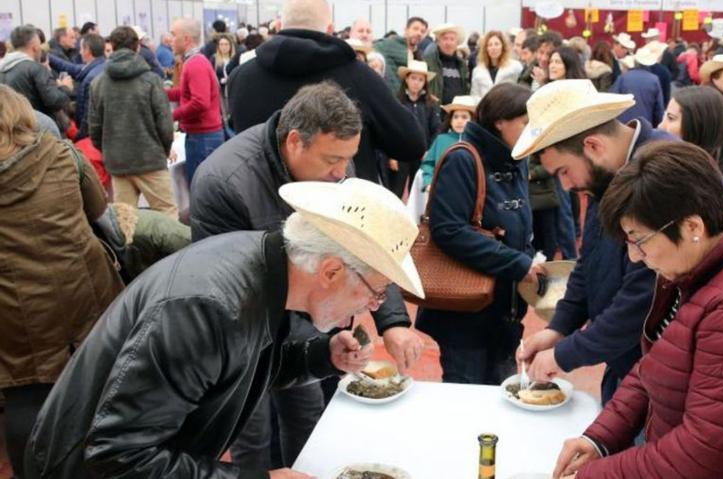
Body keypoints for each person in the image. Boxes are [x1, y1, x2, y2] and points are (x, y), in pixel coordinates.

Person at [24, 178, 424, 479]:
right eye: (375, 293)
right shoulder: (207, 307)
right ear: (331, 271)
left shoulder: (270, 268)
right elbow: (120, 455)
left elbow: (238, 365)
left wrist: (320, 356)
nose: (372, 307)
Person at [191, 82, 425, 469]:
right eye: (333, 160)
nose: (342, 172)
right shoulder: (226, 181)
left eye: (348, 159)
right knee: (250, 429)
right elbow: (226, 289)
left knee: (308, 417)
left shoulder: (334, 170)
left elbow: (370, 245)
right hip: (245, 334)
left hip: (308, 323)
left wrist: (393, 321)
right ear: (295, 141)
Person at [552, 141, 723, 479]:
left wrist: (596, 474)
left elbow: (702, 455)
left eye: (640, 240)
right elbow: (656, 366)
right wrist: (600, 438)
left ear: (692, 227)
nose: (634, 256)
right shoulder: (696, 270)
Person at [512, 79, 679, 405]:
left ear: (593, 146)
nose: (566, 184)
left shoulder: (662, 176)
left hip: (661, 378)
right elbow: (589, 261)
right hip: (625, 365)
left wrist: (566, 354)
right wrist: (559, 327)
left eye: (563, 171)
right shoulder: (607, 175)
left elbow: (645, 296)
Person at [0, 85, 123, 478]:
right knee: (102, 388)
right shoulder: (62, 155)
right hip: (86, 291)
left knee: (27, 391)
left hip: (17, 312)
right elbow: (102, 215)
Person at [227, 0, 426, 185]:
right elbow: (411, 143)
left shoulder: (240, 77)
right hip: (341, 207)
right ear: (330, 29)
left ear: (278, 26)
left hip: (260, 204)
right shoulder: (359, 76)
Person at [415, 83, 542, 385]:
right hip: (465, 313)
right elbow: (449, 231)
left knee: (501, 399)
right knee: (467, 401)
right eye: (526, 123)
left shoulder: (517, 159)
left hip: (506, 310)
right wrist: (519, 264)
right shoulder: (463, 158)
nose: (532, 131)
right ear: (500, 121)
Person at [90, 26, 177, 218]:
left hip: (118, 162)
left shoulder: (98, 83)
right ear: (137, 48)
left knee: (124, 221)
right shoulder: (151, 80)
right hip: (150, 160)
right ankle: (174, 251)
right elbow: (165, 123)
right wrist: (163, 149)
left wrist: (109, 149)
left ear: (111, 46)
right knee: (167, 215)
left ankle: (129, 250)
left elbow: (94, 129)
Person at [659, 86, 723, 207]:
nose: (660, 126)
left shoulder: (709, 189)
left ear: (698, 126)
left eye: (671, 118)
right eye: (665, 116)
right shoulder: (687, 167)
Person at [166, 17, 224, 185]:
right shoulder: (195, 61)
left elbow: (200, 102)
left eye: (173, 34)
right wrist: (162, 93)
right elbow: (186, 93)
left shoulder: (195, 64)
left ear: (186, 39)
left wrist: (171, 116)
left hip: (203, 138)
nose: (170, 39)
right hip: (202, 137)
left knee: (201, 190)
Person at [0, 25, 73, 119]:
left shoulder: (2, 69)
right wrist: (65, 87)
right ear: (34, 47)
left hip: (12, 128)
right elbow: (55, 102)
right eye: (39, 44)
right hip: (37, 127)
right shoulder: (36, 69)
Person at [391, 60, 441, 197]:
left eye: (420, 79)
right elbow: (391, 129)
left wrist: (429, 151)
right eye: (413, 78)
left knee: (418, 191)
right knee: (396, 189)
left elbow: (436, 129)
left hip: (421, 154)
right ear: (406, 79)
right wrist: (392, 155)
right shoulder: (397, 101)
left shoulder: (430, 104)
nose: (416, 82)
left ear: (425, 82)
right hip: (400, 153)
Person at [48, 33, 106, 141]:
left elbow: (88, 115)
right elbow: (67, 66)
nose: (79, 52)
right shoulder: (98, 67)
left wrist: (79, 137)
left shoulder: (91, 78)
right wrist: (45, 56)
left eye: (81, 49)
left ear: (87, 50)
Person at [420, 94, 477, 191]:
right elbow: (428, 164)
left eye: (464, 117)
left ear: (472, 120)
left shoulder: (477, 142)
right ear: (450, 120)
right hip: (441, 190)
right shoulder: (441, 140)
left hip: (469, 191)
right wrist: (428, 182)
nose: (459, 121)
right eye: (456, 117)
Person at [611, 47, 665, 127]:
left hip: (622, 124)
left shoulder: (623, 77)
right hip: (644, 125)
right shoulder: (654, 80)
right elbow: (659, 109)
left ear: (635, 61)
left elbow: (613, 99)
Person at [373, 16, 428, 93]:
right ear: (406, 30)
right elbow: (373, 45)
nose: (419, 33)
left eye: (422, 31)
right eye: (415, 29)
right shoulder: (390, 44)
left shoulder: (419, 56)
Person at [423, 23, 470, 105]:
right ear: (438, 42)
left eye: (452, 39)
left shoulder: (462, 65)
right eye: (445, 39)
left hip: (456, 113)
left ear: (457, 43)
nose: (448, 43)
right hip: (435, 111)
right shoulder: (428, 61)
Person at [470, 30, 523, 99]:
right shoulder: (478, 71)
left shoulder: (515, 66)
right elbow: (475, 95)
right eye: (490, 45)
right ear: (486, 49)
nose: (493, 48)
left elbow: (521, 90)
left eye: (496, 44)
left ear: (502, 46)